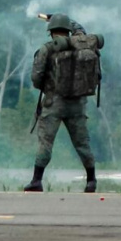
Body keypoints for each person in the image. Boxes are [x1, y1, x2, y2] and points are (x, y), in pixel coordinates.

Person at [24, 13, 99, 193]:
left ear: (50, 32)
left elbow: (36, 78)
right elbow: (80, 29)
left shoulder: (47, 49)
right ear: (68, 30)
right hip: (78, 103)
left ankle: (36, 180)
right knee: (82, 143)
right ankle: (91, 180)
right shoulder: (82, 45)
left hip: (53, 102)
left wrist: (48, 87)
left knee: (46, 142)